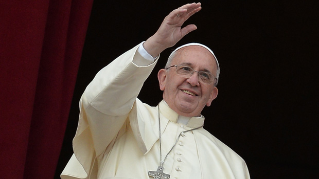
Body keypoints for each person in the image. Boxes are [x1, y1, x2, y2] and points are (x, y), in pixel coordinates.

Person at [61, 3, 250, 179]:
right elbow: (96, 100)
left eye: (205, 76)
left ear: (212, 95)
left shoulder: (232, 165)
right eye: (185, 69)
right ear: (163, 78)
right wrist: (156, 44)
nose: (193, 81)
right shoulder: (123, 120)